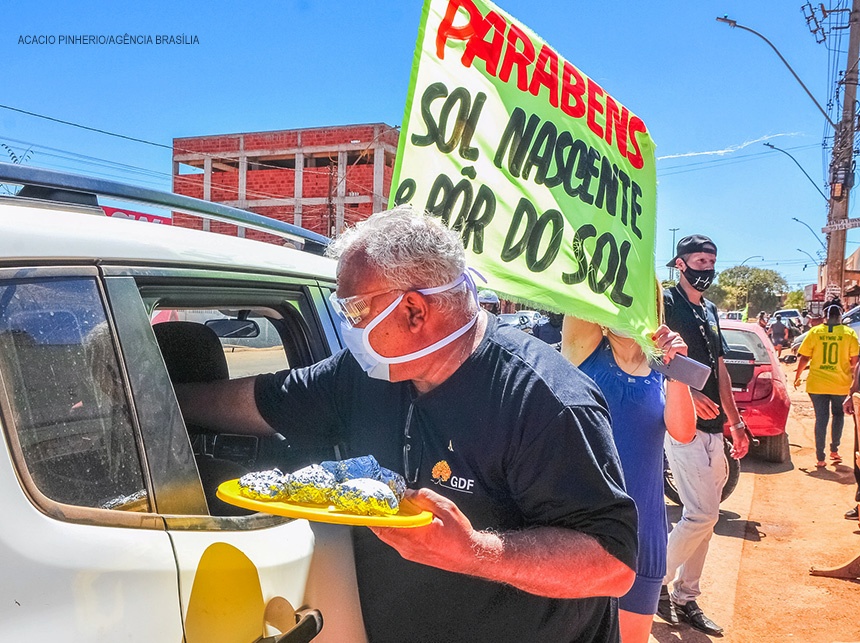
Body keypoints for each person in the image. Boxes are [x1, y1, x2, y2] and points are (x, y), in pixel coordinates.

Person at [176, 205, 638, 643]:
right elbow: (263, 402)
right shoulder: (364, 375)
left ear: (414, 311)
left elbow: (612, 564)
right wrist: (162, 397)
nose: (348, 326)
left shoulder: (545, 400)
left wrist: (475, 552)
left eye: (354, 311)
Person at [561, 306, 696, 643]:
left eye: (637, 299)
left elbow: (683, 432)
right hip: (582, 531)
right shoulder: (584, 348)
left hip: (643, 533)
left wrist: (677, 368)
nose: (626, 306)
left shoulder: (662, 366)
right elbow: (581, 293)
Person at [657, 234, 750, 637]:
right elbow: (651, 356)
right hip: (682, 425)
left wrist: (736, 422)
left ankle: (685, 596)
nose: (707, 269)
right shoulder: (665, 302)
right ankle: (652, 583)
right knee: (702, 515)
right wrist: (689, 393)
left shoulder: (710, 310)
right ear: (680, 264)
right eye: (699, 261)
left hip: (715, 430)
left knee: (705, 520)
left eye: (711, 262)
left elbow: (720, 368)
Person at [795, 298, 859, 468]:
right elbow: (854, 362)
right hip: (840, 384)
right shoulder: (849, 334)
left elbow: (804, 358)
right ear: (841, 314)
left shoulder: (815, 332)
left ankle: (820, 457)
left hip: (817, 385)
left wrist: (797, 376)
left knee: (821, 418)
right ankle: (834, 451)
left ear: (824, 315)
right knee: (838, 415)